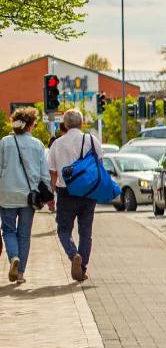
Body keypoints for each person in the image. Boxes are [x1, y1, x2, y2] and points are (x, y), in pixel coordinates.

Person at [47, 109, 103, 281]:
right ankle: (83, 268)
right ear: (82, 122)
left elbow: (53, 173)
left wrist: (51, 197)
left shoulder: (57, 144)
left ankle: (73, 255)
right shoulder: (92, 140)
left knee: (64, 230)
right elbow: (100, 165)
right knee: (86, 232)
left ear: (64, 124)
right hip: (88, 191)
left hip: (66, 192)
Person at [0, 108, 50, 284]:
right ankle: (20, 274)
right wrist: (48, 195)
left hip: (6, 194)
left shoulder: (4, 142)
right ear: (30, 125)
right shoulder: (37, 145)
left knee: (8, 230)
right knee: (24, 234)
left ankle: (13, 257)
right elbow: (44, 174)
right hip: (30, 196)